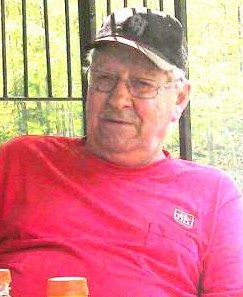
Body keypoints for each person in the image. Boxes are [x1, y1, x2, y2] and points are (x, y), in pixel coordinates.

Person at [0, 6, 243, 297]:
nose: (118, 99)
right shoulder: (21, 161)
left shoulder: (213, 195)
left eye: (141, 84)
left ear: (179, 98)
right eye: (104, 79)